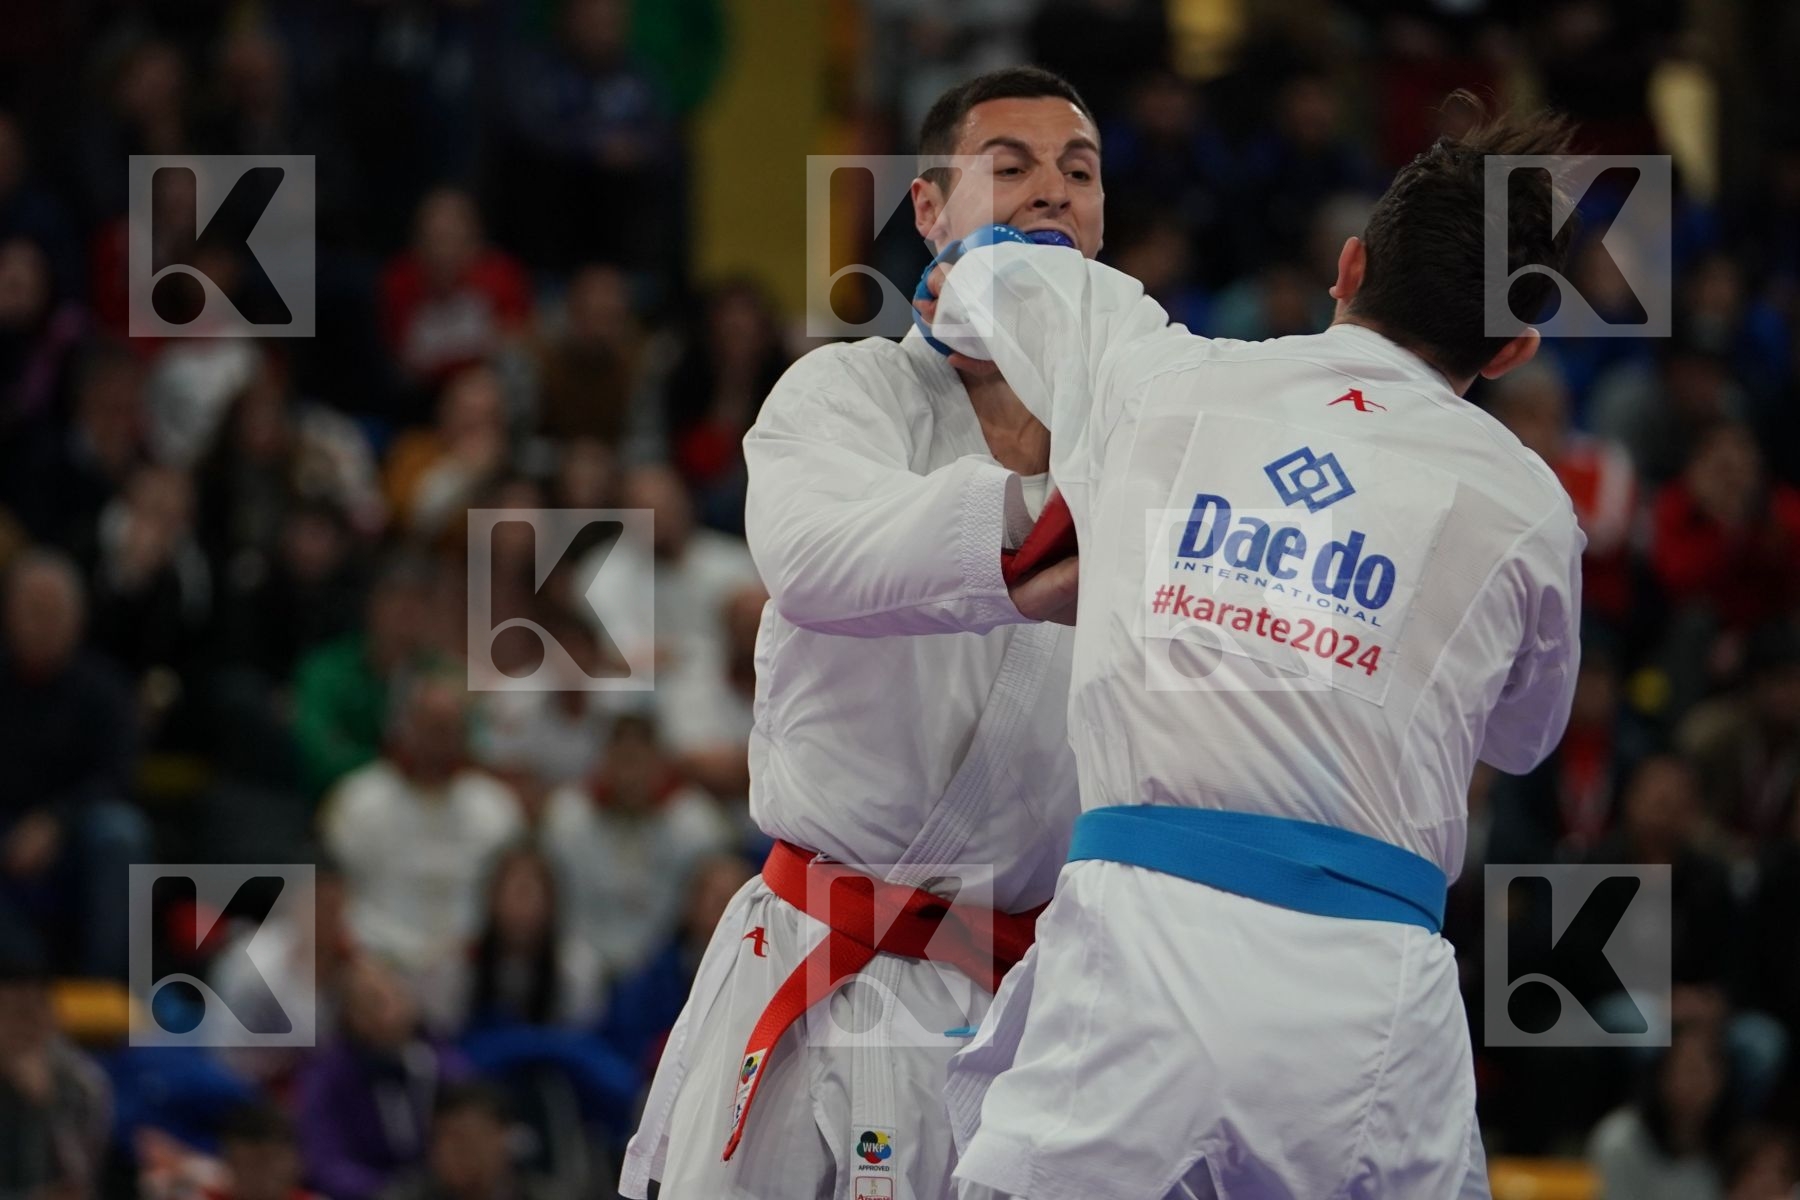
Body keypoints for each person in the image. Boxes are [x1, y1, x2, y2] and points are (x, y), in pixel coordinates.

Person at [923, 98, 1584, 1198]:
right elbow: (1521, 743)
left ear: (1349, 266)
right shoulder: (1530, 507)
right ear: (1514, 348)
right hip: (1369, 1000)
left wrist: (970, 301)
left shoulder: (1159, 376)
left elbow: (981, 265)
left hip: (1141, 946)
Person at [619, 66, 1096, 1200]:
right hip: (820, 955)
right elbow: (820, 560)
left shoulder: (1137, 438)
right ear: (929, 210)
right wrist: (1038, 538)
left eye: (1079, 174)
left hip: (1022, 993)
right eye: (1011, 166)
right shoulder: (840, 396)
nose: (1051, 195)